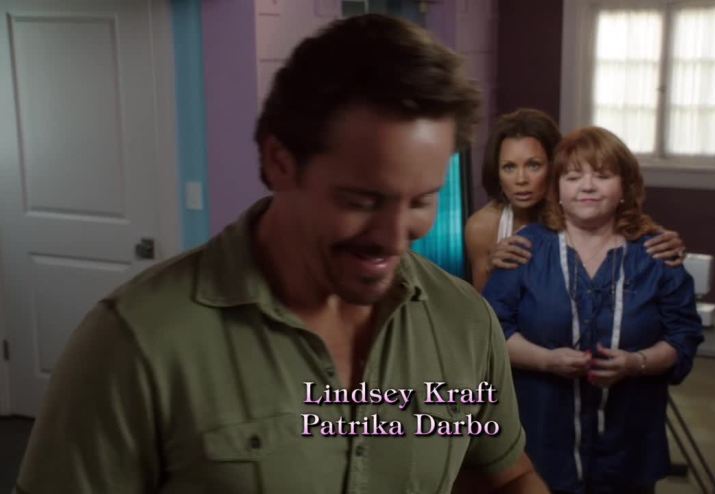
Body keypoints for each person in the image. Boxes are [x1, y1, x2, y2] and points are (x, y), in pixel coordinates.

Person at [16, 14, 549, 494]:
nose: (392, 237)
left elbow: (507, 476)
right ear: (279, 162)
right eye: (361, 200)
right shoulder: (132, 344)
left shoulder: (464, 321)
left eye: (421, 200)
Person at [482, 127, 704, 493]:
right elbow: (490, 334)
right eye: (573, 177)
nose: (587, 186)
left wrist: (636, 363)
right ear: (557, 190)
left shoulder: (656, 253)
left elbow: (683, 337)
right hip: (540, 447)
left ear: (625, 187)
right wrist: (546, 361)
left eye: (602, 176)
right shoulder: (523, 251)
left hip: (628, 448)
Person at [465, 109, 686, 292]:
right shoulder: (482, 227)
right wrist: (494, 270)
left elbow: (633, 231)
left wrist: (664, 244)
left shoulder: (584, 210)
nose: (521, 179)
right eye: (509, 167)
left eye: (534, 165)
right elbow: (482, 315)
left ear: (556, 166)